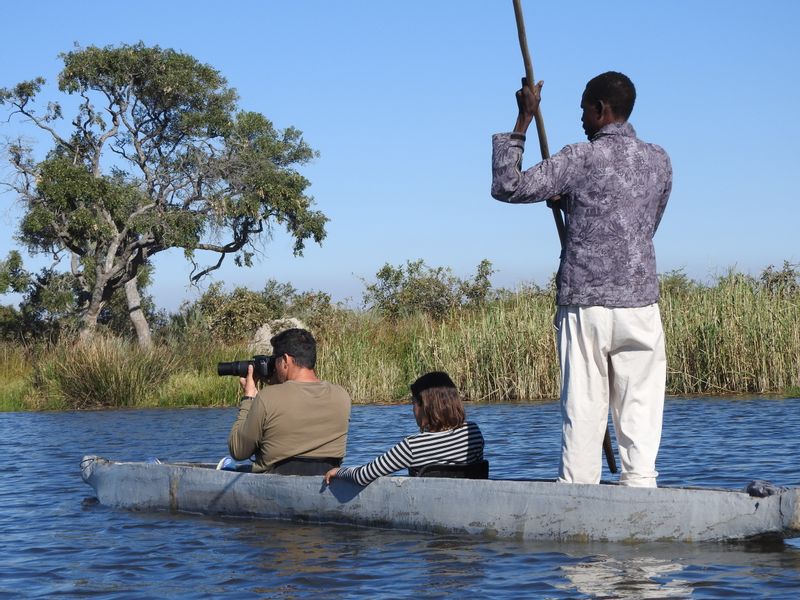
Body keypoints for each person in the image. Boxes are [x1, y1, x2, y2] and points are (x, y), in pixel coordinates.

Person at [491, 72, 672, 488]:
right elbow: (642, 225)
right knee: (640, 410)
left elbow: (508, 185)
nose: (582, 119)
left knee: (585, 407)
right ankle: (641, 489)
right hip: (640, 303)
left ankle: (578, 496)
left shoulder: (580, 157)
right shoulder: (659, 160)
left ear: (601, 110)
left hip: (586, 303)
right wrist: (572, 201)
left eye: (584, 111)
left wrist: (523, 118)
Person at [323, 371, 485, 486]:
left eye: (413, 403)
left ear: (425, 406)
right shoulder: (474, 433)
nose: (412, 409)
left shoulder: (413, 446)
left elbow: (363, 475)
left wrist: (339, 471)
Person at [227, 327, 351, 475]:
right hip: (326, 479)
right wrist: (280, 384)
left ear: (285, 360)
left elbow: (238, 451)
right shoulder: (342, 396)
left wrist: (248, 398)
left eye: (275, 359)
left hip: (273, 484)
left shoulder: (267, 397)